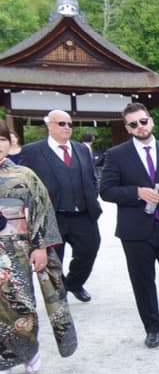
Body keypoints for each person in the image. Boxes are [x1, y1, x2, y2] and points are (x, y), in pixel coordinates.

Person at [99, 104, 159, 348]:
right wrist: (137, 192)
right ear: (127, 128)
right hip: (135, 230)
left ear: (152, 122)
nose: (140, 127)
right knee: (142, 281)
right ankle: (153, 328)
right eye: (133, 124)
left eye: (143, 121)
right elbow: (106, 190)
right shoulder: (116, 154)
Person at [0, 121, 76, 374]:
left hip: (17, 247)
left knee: (20, 302)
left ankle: (28, 350)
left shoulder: (24, 175)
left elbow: (43, 211)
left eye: (1, 140)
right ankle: (4, 359)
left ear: (9, 143)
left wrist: (41, 246)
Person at [18, 110, 101, 303]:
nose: (67, 128)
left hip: (82, 214)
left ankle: (74, 283)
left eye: (70, 124)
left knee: (89, 250)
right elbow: (25, 182)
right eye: (62, 124)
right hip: (52, 216)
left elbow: (91, 177)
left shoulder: (81, 149)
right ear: (49, 125)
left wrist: (92, 196)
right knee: (55, 259)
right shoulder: (33, 151)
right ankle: (59, 288)